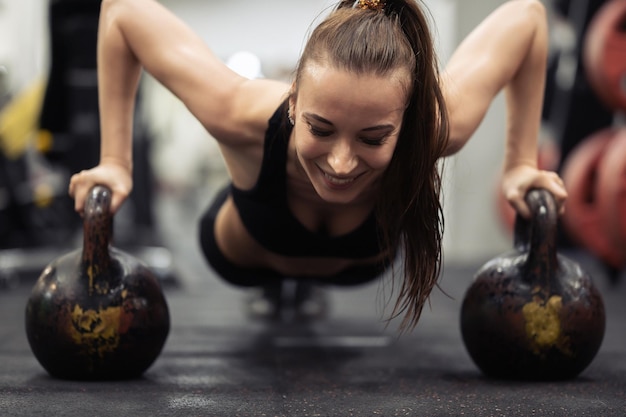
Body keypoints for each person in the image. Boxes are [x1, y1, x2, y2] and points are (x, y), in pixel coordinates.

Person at [69, 0, 568, 331]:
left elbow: (527, 17)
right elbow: (121, 12)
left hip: (358, 267)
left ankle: (298, 293)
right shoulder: (235, 110)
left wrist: (519, 164)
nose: (341, 162)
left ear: (404, 122)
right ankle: (282, 290)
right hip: (244, 258)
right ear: (291, 105)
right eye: (321, 129)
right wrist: (115, 161)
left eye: (374, 138)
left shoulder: (436, 127)